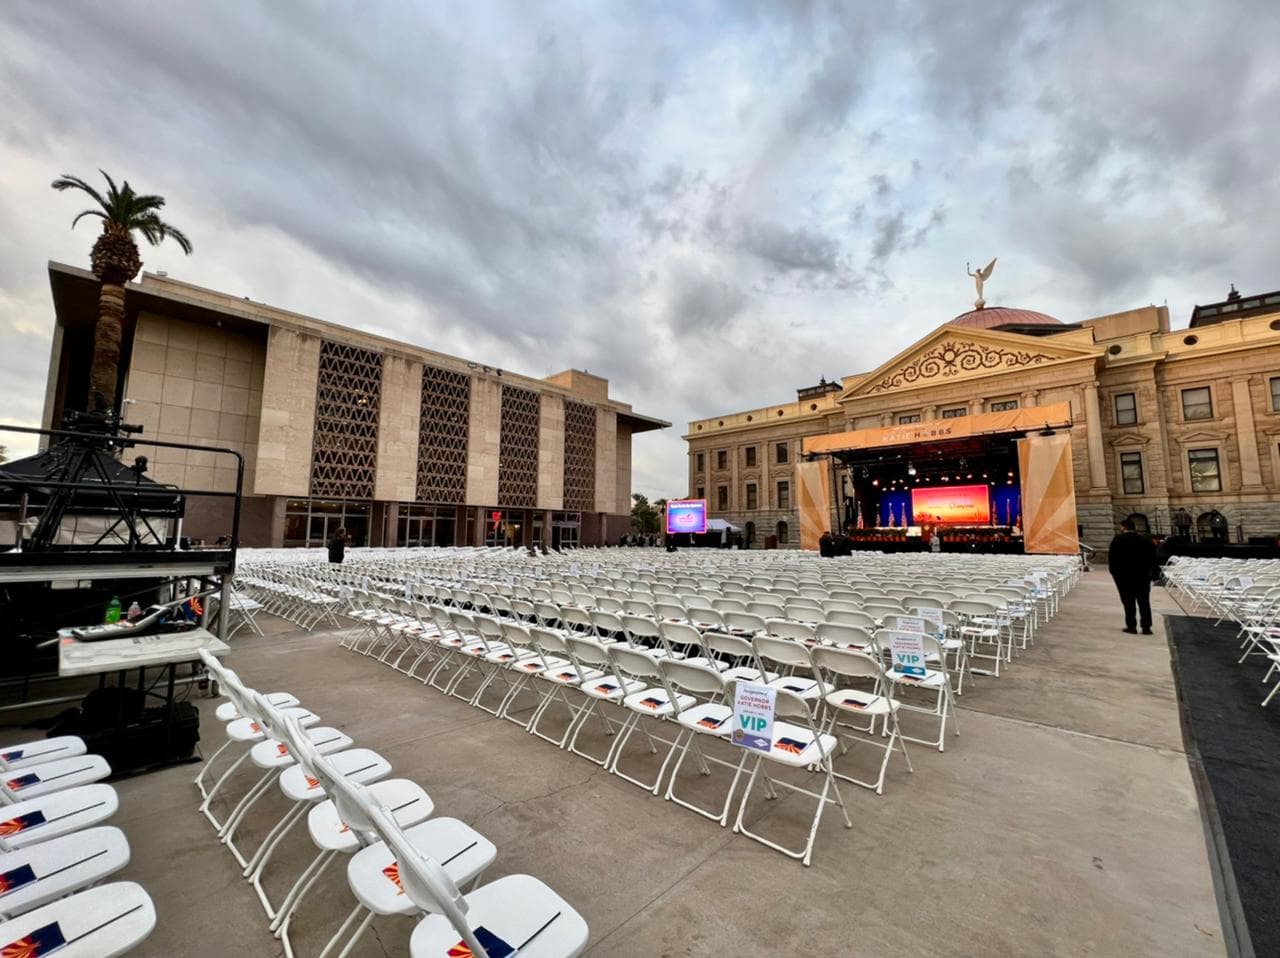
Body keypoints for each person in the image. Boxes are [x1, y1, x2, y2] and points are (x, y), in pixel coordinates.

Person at [1107, 518, 1156, 635]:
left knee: (1128, 602)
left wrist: (1114, 573)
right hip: (1143, 576)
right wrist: (1150, 572)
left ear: (1123, 527)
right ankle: (1146, 627)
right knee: (1144, 601)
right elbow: (1153, 557)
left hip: (1124, 576)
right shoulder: (1145, 540)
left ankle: (1131, 626)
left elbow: (1112, 558)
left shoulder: (1118, 540)